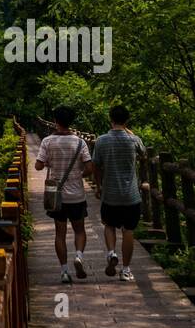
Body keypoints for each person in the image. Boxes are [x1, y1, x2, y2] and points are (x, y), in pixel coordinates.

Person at [35, 105, 93, 284]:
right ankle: (79, 256)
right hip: (76, 195)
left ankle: (64, 271)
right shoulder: (80, 142)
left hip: (56, 196)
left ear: (55, 121)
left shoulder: (47, 141)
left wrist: (50, 163)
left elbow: (38, 165)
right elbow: (89, 168)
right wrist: (79, 175)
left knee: (59, 233)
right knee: (79, 230)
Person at [91, 105, 146, 282]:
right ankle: (126, 269)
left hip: (110, 193)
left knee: (109, 225)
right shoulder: (134, 139)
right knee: (128, 230)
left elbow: (96, 165)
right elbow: (144, 154)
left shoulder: (101, 140)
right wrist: (129, 131)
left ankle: (111, 252)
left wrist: (99, 187)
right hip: (131, 195)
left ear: (110, 119)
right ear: (127, 120)